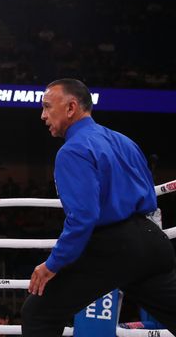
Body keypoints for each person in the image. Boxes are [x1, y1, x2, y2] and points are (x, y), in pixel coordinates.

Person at [21, 78, 176, 336]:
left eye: (48, 107)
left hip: (113, 246)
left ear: (71, 108)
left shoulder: (72, 151)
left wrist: (52, 264)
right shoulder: (124, 141)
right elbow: (149, 194)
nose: (43, 115)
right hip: (152, 242)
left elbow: (83, 217)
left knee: (38, 313)